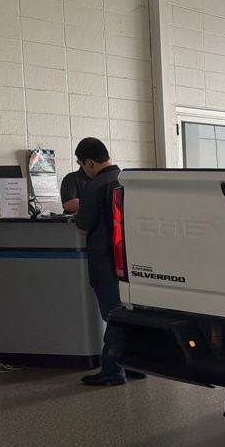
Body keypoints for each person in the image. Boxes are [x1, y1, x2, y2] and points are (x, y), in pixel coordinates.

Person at [74, 137, 144, 387]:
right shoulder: (130, 181)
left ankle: (113, 371)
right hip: (134, 262)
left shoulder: (95, 186)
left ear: (89, 162)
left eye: (82, 164)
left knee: (113, 315)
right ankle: (136, 365)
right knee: (130, 313)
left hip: (105, 260)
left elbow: (82, 228)